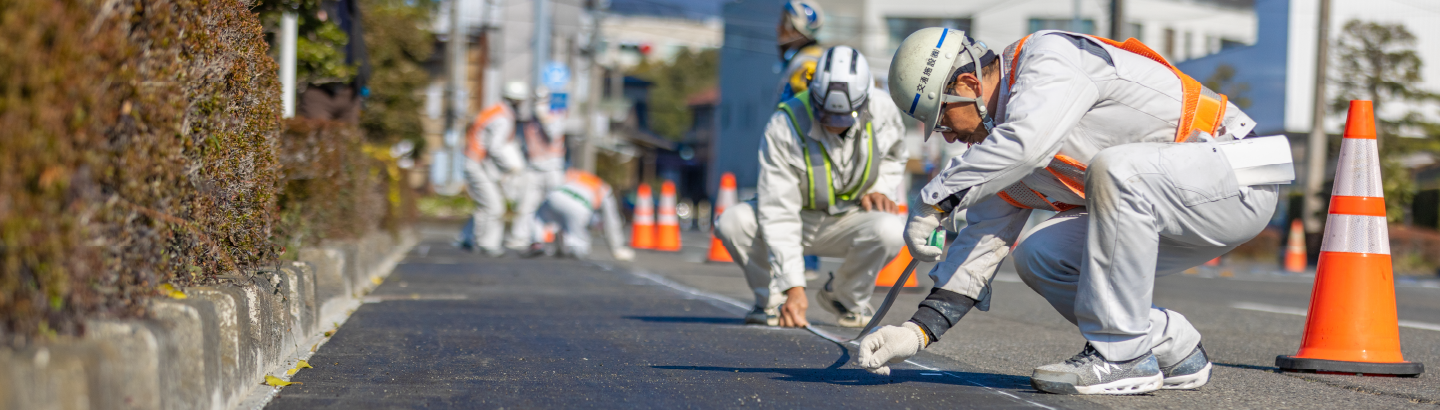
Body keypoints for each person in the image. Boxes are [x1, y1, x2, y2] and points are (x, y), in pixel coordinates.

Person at [858, 28, 1283, 395]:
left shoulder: (1047, 60)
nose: (949, 138)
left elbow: (1026, 143)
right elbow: (977, 247)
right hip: (1173, 204)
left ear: (969, 84)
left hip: (1238, 180)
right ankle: (1172, 347)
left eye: (945, 120)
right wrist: (916, 332)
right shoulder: (1002, 153)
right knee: (1039, 255)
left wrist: (934, 199)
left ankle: (1123, 356)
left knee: (1116, 168)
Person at [715, 46, 908, 328]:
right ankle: (772, 301)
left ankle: (845, 298)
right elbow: (779, 212)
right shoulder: (785, 124)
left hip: (848, 219)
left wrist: (880, 187)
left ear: (864, 101)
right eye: (828, 115)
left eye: (845, 117)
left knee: (893, 229)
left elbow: (895, 153)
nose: (835, 125)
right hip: (797, 217)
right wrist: (793, 288)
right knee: (732, 222)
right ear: (814, 97)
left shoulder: (882, 108)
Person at [774, 0, 828, 280]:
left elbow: (807, 108)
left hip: (802, 151)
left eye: (785, 23)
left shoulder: (807, 62)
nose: (778, 29)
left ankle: (803, 266)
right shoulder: (803, 57)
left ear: (798, 28)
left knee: (797, 210)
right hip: (804, 150)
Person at [458, 81, 530, 257]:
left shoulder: (494, 110)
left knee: (484, 205)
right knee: (494, 206)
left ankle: (469, 238)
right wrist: (509, 167)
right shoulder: (503, 118)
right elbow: (495, 148)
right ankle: (487, 244)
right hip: (478, 163)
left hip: (474, 160)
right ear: (518, 101)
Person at [522, 169, 634, 262]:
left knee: (539, 217)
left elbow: (555, 182)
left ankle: (537, 241)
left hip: (557, 195)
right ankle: (571, 246)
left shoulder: (574, 173)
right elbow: (611, 220)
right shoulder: (604, 188)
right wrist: (617, 248)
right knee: (580, 248)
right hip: (580, 206)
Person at [507, 86, 568, 251]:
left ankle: (561, 241)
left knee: (557, 204)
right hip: (533, 167)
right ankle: (520, 238)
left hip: (553, 167)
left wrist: (543, 116)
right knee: (526, 205)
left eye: (542, 101)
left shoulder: (556, 116)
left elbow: (553, 133)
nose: (539, 104)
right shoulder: (529, 120)